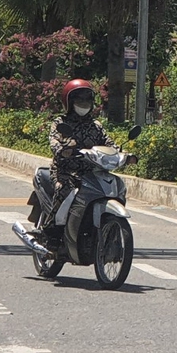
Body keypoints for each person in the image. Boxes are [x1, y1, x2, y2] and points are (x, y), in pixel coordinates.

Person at [42, 79, 111, 236]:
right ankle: (52, 230)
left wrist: (124, 154)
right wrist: (62, 149)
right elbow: (54, 141)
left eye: (87, 100)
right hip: (65, 170)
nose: (84, 103)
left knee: (115, 186)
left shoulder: (96, 126)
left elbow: (108, 142)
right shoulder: (60, 122)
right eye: (80, 100)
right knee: (63, 189)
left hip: (91, 172)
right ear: (70, 102)